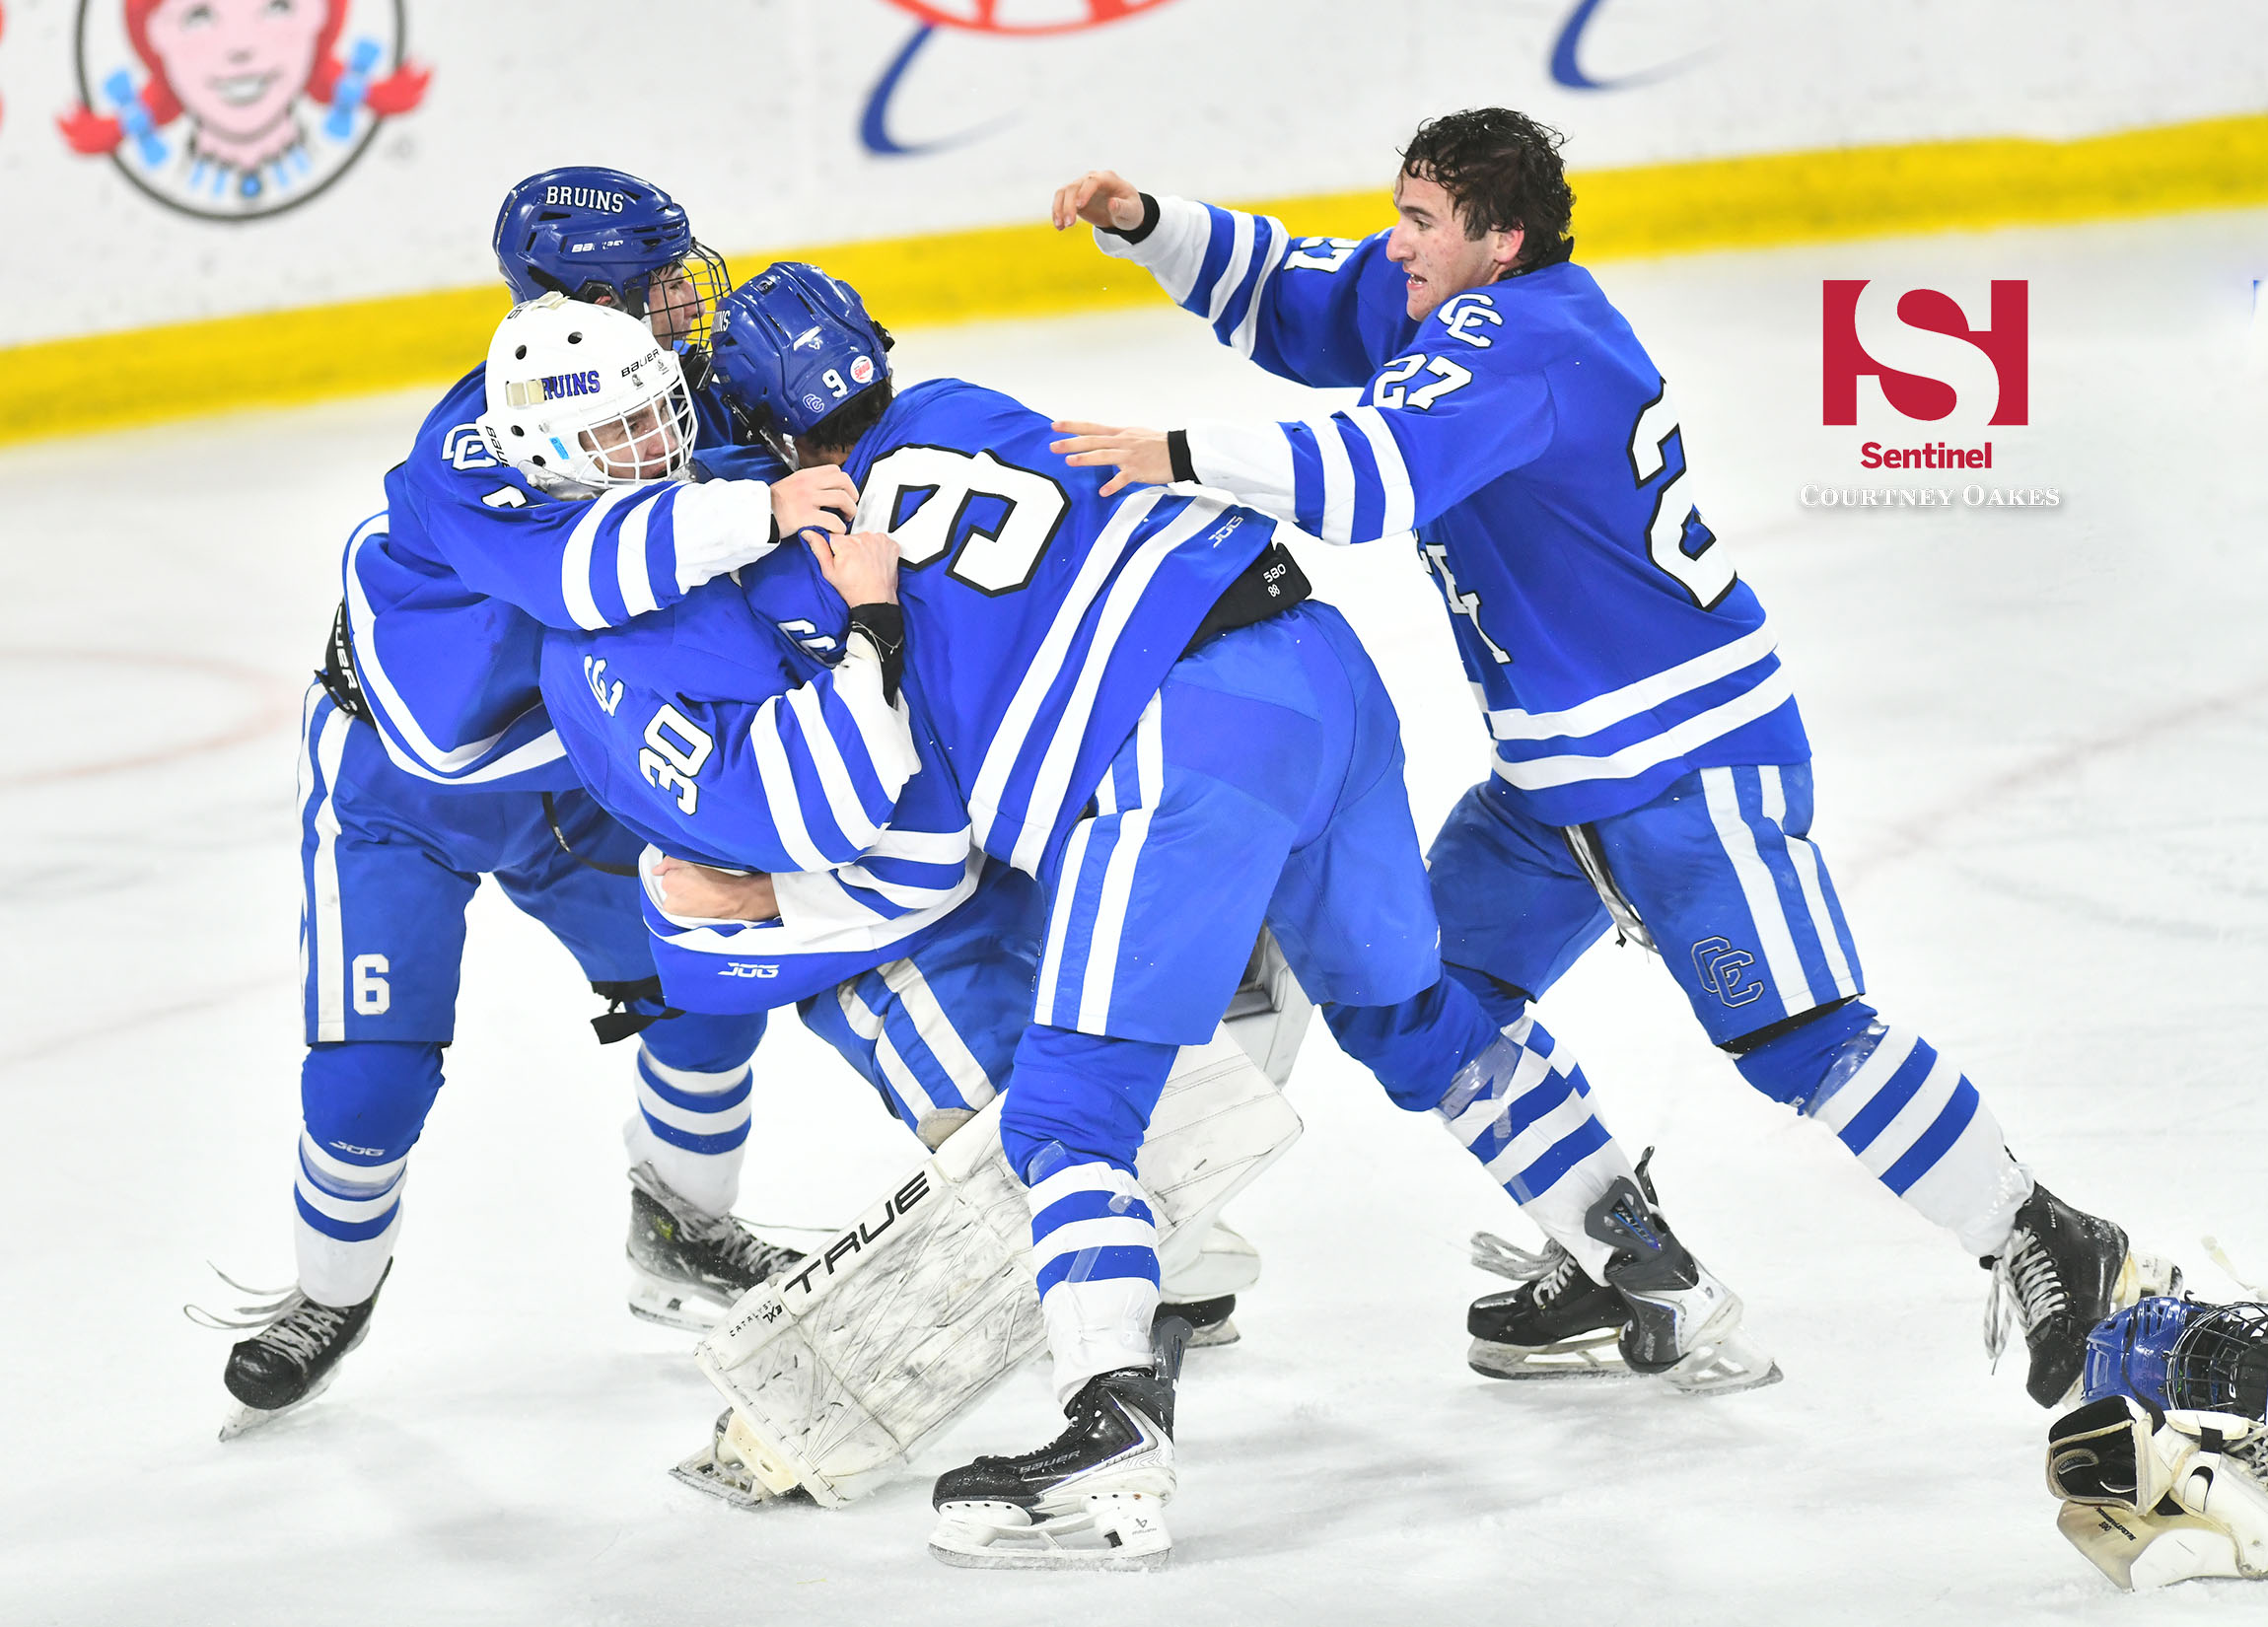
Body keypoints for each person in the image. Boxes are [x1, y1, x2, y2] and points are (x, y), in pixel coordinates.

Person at [533, 262, 1778, 1570]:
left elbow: (919, 869)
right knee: (1411, 1012)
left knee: (1069, 1114)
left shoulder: (842, 547)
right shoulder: (967, 402)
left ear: (771, 436)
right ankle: (1655, 1273)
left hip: (1184, 755)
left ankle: (1111, 1427)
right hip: (1326, 672)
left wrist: (768, 881)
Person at [1044, 106, 2176, 1409]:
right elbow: (1301, 292)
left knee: (1803, 1036)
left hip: (1685, 766)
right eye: (1400, 213)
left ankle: (2040, 1232)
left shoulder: (1521, 339)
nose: (1395, 244)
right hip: (1553, 791)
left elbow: (1373, 478)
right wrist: (1147, 225)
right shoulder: (1451, 299)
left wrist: (1180, 453)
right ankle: (1620, 1257)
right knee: (1424, 990)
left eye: (1421, 221)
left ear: (1502, 239)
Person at [205, 168, 859, 1438]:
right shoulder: (476, 445)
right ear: (583, 297)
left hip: (577, 777)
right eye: (657, 276)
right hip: (400, 784)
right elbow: (582, 577)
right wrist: (765, 504)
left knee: (711, 983)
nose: (686, 292)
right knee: (370, 1082)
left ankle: (682, 1229)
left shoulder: (681, 389)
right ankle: (325, 1297)